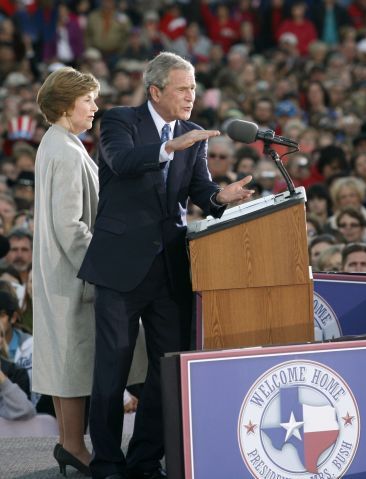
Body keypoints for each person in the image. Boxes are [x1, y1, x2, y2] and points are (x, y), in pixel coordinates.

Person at [77, 52, 254, 479]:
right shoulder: (120, 120)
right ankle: (106, 461)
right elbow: (121, 162)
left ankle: (144, 458)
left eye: (193, 88)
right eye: (182, 88)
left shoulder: (194, 133)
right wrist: (166, 147)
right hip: (120, 267)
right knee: (113, 367)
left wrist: (220, 199)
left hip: (170, 270)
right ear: (155, 91)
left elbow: (200, 192)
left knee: (166, 367)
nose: (191, 96)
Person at [32, 66, 104, 476]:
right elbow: (69, 224)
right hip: (73, 273)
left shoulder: (58, 143)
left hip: (59, 273)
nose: (95, 106)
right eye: (88, 99)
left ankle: (69, 444)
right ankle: (75, 447)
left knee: (65, 362)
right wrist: (100, 265)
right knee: (72, 363)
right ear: (65, 105)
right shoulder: (64, 149)